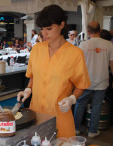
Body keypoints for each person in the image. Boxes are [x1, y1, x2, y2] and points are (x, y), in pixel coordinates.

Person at [17, 5, 91, 138]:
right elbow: (33, 76)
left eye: (49, 29)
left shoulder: (75, 53)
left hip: (59, 116)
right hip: (36, 114)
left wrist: (72, 99)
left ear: (61, 25)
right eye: (42, 29)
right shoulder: (37, 49)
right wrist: (28, 89)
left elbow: (81, 85)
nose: (44, 34)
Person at [74, 22, 113, 138]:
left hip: (85, 81)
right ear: (100, 30)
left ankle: (76, 129)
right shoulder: (108, 44)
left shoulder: (83, 45)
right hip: (102, 80)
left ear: (88, 32)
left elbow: (77, 65)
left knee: (80, 104)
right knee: (97, 105)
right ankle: (93, 131)